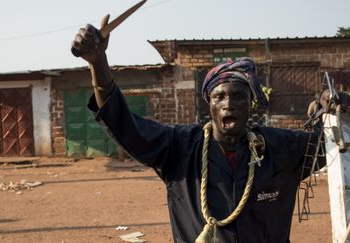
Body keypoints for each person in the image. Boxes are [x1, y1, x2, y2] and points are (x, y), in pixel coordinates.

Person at [71, 18, 326, 243]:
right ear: (209, 105)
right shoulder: (179, 147)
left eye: (239, 96)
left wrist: (337, 110)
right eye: (220, 97)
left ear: (251, 104)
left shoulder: (280, 148)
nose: (229, 104)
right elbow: (125, 125)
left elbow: (333, 146)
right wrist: (98, 63)